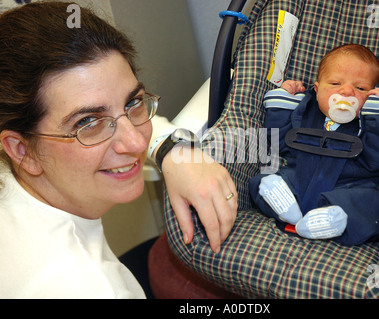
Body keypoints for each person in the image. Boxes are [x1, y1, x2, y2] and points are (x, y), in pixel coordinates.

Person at [0, 2, 236, 298]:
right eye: (88, 122)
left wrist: (174, 151)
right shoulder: (93, 287)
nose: (136, 143)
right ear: (22, 150)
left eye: (133, 102)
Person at [249, 44, 379, 246]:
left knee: (371, 207)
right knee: (266, 182)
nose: (347, 91)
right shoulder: (305, 111)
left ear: (372, 95)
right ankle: (285, 206)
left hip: (349, 185)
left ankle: (329, 220)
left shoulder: (369, 122)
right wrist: (284, 98)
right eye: (335, 83)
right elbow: (278, 139)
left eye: (361, 88)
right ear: (317, 89)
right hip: (299, 176)